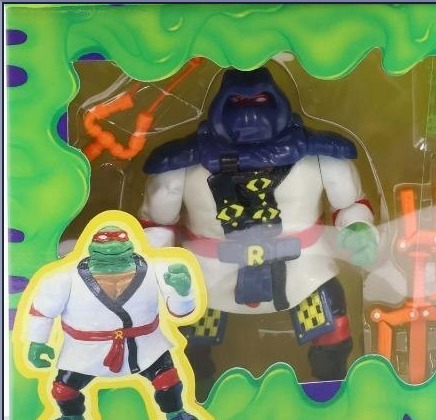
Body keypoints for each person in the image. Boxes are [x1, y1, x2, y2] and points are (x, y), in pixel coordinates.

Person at [139, 68, 378, 394]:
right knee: (188, 339)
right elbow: (158, 224)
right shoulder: (180, 167)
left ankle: (330, 391)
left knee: (332, 328)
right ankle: (194, 399)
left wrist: (358, 228)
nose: (250, 114)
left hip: (302, 270)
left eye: (261, 101)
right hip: (209, 276)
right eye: (237, 102)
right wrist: (152, 264)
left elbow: (349, 205)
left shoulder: (322, 158)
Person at [26, 225, 205, 420]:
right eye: (105, 245)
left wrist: (183, 292)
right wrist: (37, 342)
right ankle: (72, 417)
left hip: (146, 345)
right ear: (92, 249)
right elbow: (43, 311)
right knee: (63, 390)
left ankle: (176, 413)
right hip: (86, 351)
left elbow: (180, 312)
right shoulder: (64, 279)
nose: (111, 252)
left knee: (168, 380)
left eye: (118, 245)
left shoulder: (158, 270)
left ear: (129, 246)